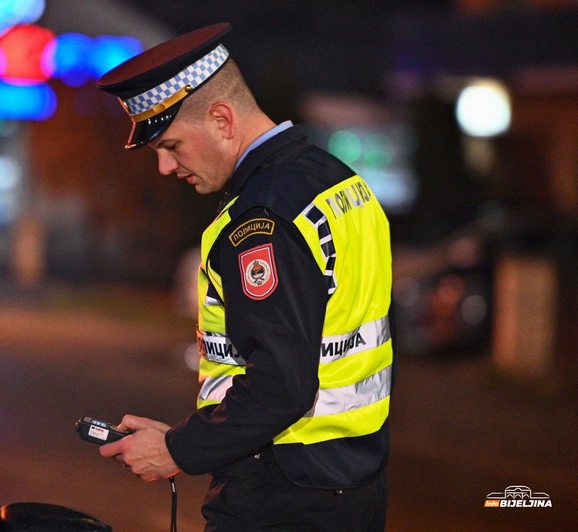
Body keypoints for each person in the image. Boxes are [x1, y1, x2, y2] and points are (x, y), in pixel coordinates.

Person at [96, 22, 394, 531]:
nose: (166, 168)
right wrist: (188, 437)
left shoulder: (259, 220)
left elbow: (281, 385)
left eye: (172, 146)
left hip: (280, 499)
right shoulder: (339, 183)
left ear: (221, 119)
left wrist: (176, 451)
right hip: (351, 485)